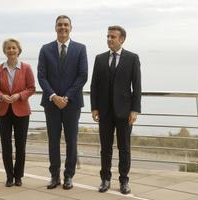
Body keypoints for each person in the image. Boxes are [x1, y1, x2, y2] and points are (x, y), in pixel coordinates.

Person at [37, 15, 88, 190]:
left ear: (71, 28)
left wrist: (66, 97)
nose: (63, 28)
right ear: (55, 27)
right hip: (51, 103)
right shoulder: (45, 49)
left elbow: (83, 76)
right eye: (60, 25)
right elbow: (41, 77)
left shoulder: (80, 49)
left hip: (72, 104)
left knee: (71, 141)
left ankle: (68, 176)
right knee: (53, 141)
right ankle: (54, 176)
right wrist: (54, 96)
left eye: (66, 25)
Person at [90, 25, 141, 194]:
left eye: (113, 37)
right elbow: (94, 85)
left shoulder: (132, 58)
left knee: (124, 148)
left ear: (122, 39)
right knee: (105, 148)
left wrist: (134, 110)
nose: (109, 39)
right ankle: (105, 179)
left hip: (125, 112)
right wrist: (94, 107)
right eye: (108, 36)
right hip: (104, 112)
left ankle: (124, 181)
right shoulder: (100, 58)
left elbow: (137, 87)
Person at [0, 38, 35, 187]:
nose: (11, 50)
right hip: (4, 111)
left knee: (20, 145)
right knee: (6, 145)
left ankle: (18, 176)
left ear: (18, 50)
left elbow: (31, 88)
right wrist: (1, 96)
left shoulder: (26, 68)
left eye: (13, 48)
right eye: (8, 48)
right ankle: (9, 176)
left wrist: (19, 96)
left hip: (22, 111)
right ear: (4, 51)